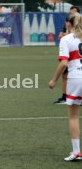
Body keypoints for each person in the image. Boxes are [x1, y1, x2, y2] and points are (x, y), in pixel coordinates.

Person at [49, 14, 82, 161]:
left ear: (69, 24)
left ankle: (76, 152)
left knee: (74, 116)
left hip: (76, 78)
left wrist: (54, 80)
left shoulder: (66, 39)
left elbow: (63, 63)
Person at [54, 6, 80, 104]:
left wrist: (53, 80)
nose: (72, 13)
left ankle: (68, 97)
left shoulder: (78, 26)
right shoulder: (67, 26)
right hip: (70, 55)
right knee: (65, 76)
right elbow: (62, 35)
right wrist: (62, 35)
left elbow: (73, 36)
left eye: (74, 12)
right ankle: (65, 96)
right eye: (71, 12)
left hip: (74, 58)